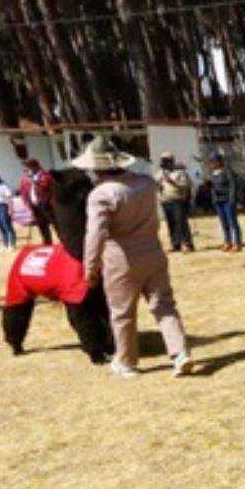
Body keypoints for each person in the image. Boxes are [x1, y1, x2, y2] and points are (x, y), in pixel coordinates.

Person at [76, 137, 194, 378]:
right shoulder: (146, 183)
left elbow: (95, 234)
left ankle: (127, 361)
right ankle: (180, 353)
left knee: (122, 313)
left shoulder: (101, 194)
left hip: (121, 259)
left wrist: (90, 268)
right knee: (164, 306)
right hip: (153, 252)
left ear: (96, 167)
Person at [156, 154, 196, 253]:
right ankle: (175, 244)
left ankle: (187, 244)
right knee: (171, 224)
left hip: (177, 201)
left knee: (181, 222)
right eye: (163, 161)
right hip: (165, 201)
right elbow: (154, 184)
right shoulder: (159, 173)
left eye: (166, 161)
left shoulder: (180, 172)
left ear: (172, 161)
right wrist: (158, 185)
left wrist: (173, 182)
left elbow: (187, 185)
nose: (164, 163)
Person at [205, 153, 244, 252]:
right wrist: (207, 184)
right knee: (224, 223)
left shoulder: (227, 171)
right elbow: (212, 188)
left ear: (220, 161)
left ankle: (238, 243)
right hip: (218, 201)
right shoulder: (212, 174)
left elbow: (232, 186)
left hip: (228, 200)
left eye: (214, 161)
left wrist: (232, 199)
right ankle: (227, 241)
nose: (212, 164)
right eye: (211, 162)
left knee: (233, 222)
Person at [19, 159, 56, 244]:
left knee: (55, 223)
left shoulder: (45, 175)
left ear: (35, 166)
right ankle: (47, 242)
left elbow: (46, 185)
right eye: (26, 167)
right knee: (41, 224)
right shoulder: (26, 179)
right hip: (34, 205)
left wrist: (36, 181)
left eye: (29, 167)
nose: (27, 169)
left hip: (46, 204)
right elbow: (23, 190)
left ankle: (63, 241)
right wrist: (26, 201)